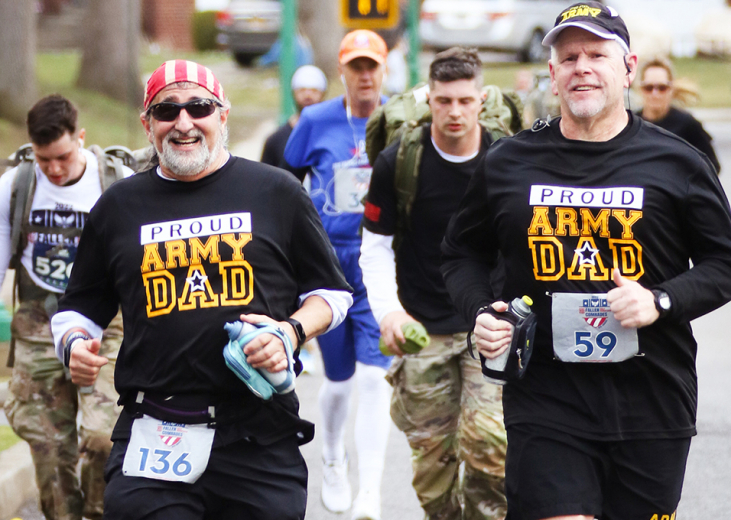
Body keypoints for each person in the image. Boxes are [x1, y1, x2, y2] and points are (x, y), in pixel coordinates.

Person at [440, 3, 731, 520]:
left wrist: (659, 300)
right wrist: (481, 312)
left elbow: (729, 264)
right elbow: (461, 252)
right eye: (569, 57)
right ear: (553, 75)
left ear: (628, 67)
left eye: (596, 55)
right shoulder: (509, 161)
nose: (581, 66)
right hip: (546, 396)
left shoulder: (677, 162)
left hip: (652, 398)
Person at [49, 59, 353, 520]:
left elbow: (332, 294)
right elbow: (77, 309)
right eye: (167, 110)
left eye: (199, 107)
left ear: (223, 115)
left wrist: (290, 333)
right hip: (155, 428)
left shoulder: (277, 192)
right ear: (147, 123)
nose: (184, 122)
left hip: (257, 430)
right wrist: (73, 342)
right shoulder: (117, 207)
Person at [359, 47, 508, 519]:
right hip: (423, 328)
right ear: (429, 101)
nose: (455, 112)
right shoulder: (398, 162)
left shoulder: (508, 159)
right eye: (444, 101)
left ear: (482, 99)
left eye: (465, 100)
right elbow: (375, 247)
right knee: (433, 470)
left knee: (489, 447)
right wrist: (389, 312)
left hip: (493, 326)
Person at [0, 94, 132, 520]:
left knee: (101, 436)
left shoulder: (116, 183)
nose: (54, 169)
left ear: (81, 137)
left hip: (105, 326)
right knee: (49, 446)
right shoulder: (16, 186)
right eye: (43, 159)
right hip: (39, 327)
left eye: (61, 156)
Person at [284, 29, 391, 519]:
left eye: (372, 66)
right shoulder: (315, 120)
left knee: (375, 379)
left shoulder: (400, 118)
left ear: (384, 70)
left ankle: (370, 489)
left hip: (380, 257)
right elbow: (285, 178)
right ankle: (331, 459)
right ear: (343, 72)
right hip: (328, 264)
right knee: (342, 380)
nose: (365, 75)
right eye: (356, 66)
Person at [636, 56, 721, 173]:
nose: (655, 94)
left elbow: (712, 167)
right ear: (640, 89)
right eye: (648, 88)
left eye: (662, 88)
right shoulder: (630, 124)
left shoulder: (687, 124)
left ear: (671, 89)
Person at [260, 64, 328, 177]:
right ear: (293, 93)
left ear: (323, 94)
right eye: (302, 90)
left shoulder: (333, 134)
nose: (308, 95)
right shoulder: (275, 140)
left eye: (314, 90)